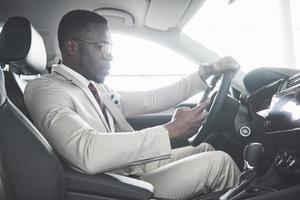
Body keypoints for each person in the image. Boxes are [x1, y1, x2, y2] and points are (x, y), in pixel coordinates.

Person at [24, 10, 241, 199]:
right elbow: (86, 151)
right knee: (219, 163)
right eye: (102, 47)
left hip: (126, 171)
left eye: (110, 48)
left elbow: (151, 99)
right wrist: (170, 130)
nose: (110, 57)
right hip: (110, 188)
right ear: (71, 46)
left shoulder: (95, 88)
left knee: (204, 148)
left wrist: (204, 73)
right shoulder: (45, 89)